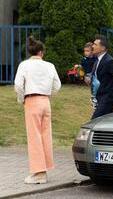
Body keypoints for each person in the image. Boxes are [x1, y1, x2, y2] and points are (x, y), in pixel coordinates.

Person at [14, 36, 61, 184]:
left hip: (32, 100)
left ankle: (39, 173)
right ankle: (43, 169)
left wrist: (22, 99)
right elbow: (57, 85)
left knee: (34, 137)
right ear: (41, 52)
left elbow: (18, 85)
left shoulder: (24, 65)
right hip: (45, 101)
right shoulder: (50, 66)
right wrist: (48, 94)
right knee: (45, 135)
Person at [75, 42, 99, 109]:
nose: (85, 53)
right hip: (88, 75)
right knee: (94, 84)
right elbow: (82, 66)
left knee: (97, 84)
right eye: (85, 51)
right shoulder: (84, 59)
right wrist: (78, 66)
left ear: (92, 51)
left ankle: (94, 97)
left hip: (94, 74)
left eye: (87, 51)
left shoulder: (96, 58)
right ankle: (93, 98)